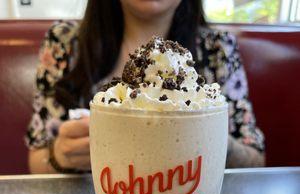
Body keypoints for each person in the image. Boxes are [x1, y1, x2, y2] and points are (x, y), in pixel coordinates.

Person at [26, 0, 265, 174]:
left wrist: (205, 132)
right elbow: (37, 157)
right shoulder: (65, 42)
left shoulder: (218, 49)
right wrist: (61, 155)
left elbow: (256, 159)